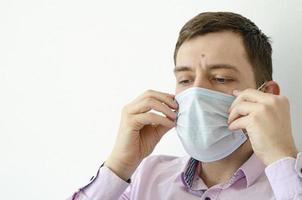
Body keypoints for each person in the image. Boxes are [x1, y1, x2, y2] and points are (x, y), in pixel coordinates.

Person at [68, 12, 302, 200]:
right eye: (185, 80)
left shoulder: (288, 183)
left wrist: (281, 159)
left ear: (267, 94)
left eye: (221, 78)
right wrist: (119, 166)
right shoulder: (147, 176)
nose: (196, 93)